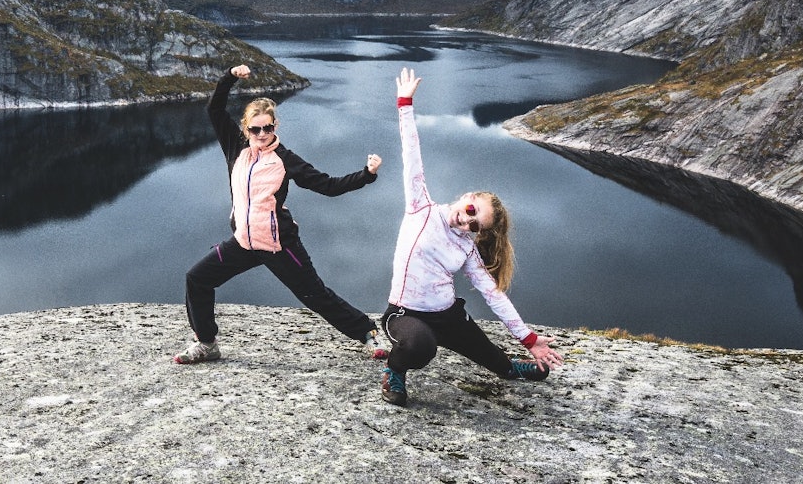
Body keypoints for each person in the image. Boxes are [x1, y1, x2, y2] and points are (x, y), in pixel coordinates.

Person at [174, 63, 388, 364]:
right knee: (197, 279)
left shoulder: (285, 159)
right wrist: (230, 78)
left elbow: (328, 186)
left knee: (315, 295)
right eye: (255, 128)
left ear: (276, 126)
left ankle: (367, 332)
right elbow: (215, 108)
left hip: (279, 244)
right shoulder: (236, 148)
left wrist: (367, 174)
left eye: (268, 127)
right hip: (245, 242)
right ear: (245, 128)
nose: (262, 134)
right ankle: (207, 343)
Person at [378, 67, 563, 406]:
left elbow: (494, 295)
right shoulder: (421, 208)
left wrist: (530, 340)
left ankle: (511, 368)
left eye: (476, 227)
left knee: (497, 363)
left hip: (447, 316)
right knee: (420, 347)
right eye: (472, 212)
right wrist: (404, 103)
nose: (467, 223)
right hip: (405, 314)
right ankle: (394, 371)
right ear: (468, 197)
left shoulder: (466, 248)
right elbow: (411, 154)